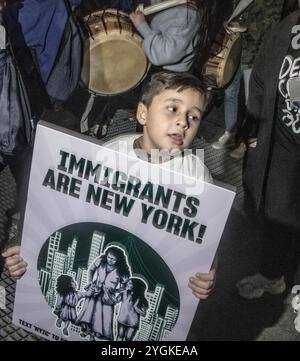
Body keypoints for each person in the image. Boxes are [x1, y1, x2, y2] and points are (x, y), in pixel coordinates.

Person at [103, 71, 217, 300]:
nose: (183, 122)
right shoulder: (110, 154)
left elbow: (206, 234)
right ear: (143, 113)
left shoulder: (197, 175)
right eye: (173, 109)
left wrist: (211, 269)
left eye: (194, 117)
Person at [236, 5, 300, 299]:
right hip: (285, 141)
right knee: (278, 213)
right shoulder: (288, 25)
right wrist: (253, 127)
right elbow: (261, 78)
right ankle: (271, 275)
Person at [212, 0, 284, 159]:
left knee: (251, 100)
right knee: (230, 91)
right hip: (235, 47)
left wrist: (244, 26)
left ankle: (246, 143)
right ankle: (229, 133)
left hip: (255, 55)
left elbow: (271, 26)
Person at [76, 246, 131, 340]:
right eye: (109, 257)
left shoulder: (122, 270)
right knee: (89, 313)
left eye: (113, 259)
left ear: (118, 260)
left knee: (103, 318)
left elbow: (126, 286)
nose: (110, 260)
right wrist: (89, 282)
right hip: (94, 292)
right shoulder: (101, 260)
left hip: (108, 298)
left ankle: (93, 335)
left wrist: (116, 291)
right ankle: (87, 331)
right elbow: (91, 269)